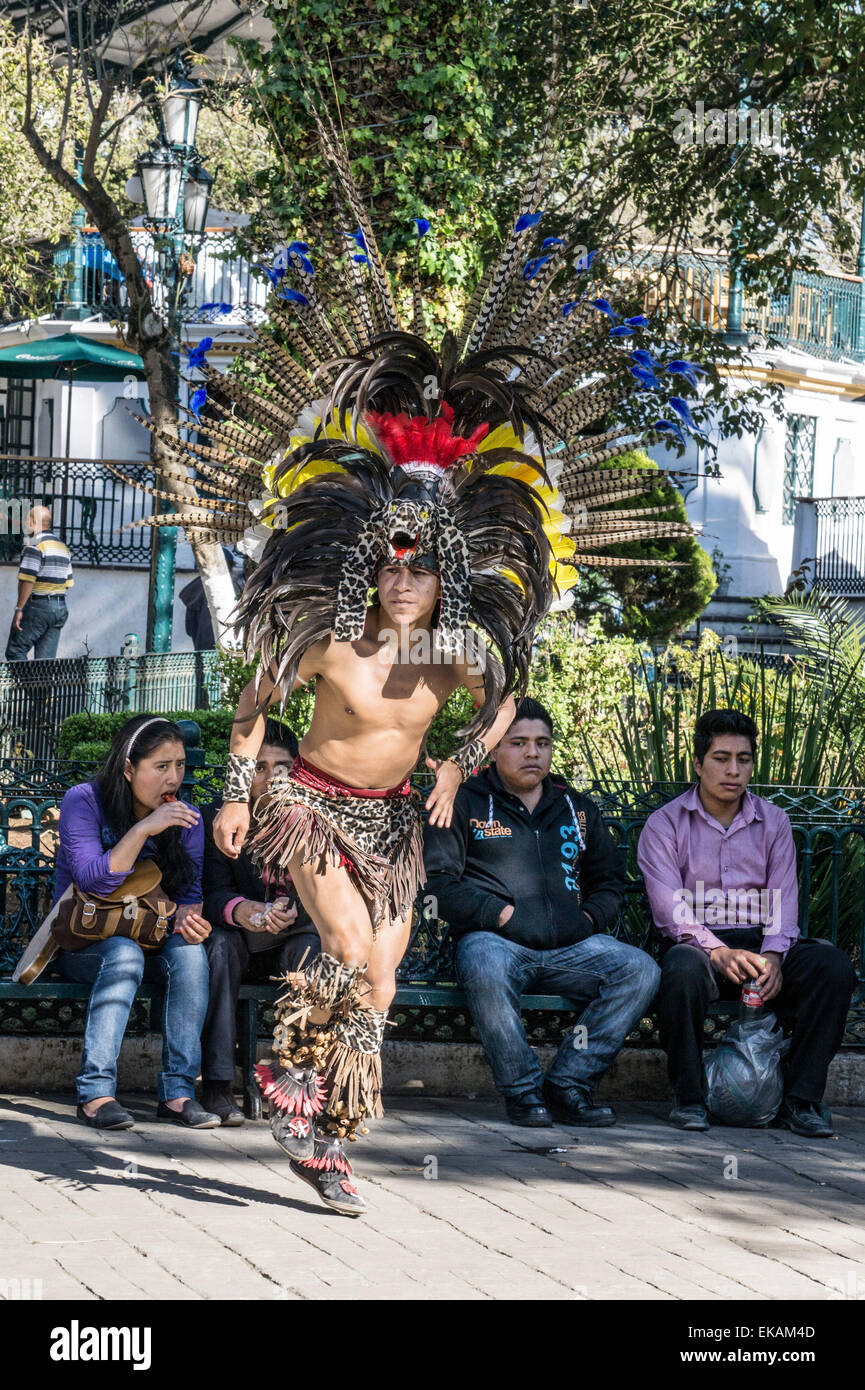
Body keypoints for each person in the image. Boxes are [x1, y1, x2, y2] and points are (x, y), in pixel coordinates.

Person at [118, 86, 702, 1216]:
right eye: (387, 564)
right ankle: (291, 1076)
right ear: (365, 568)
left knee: (379, 981)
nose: (400, 578)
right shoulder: (326, 645)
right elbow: (247, 710)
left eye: (418, 567)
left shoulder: (454, 656)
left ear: (443, 573)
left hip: (394, 826)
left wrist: (450, 766)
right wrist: (241, 796)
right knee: (338, 942)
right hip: (312, 804)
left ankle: (326, 1135)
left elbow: (504, 697)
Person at [423, 697, 659, 1126]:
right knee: (483, 960)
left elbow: (609, 883)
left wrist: (587, 921)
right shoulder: (465, 801)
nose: (532, 752)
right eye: (518, 742)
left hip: (572, 948)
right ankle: (523, 1091)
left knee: (639, 969)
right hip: (497, 942)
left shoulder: (577, 807)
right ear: (493, 749)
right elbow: (438, 884)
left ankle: (569, 1084)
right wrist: (501, 916)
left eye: (542, 742)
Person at [637, 708, 857, 1137]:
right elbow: (669, 910)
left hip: (760, 946)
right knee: (680, 970)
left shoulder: (773, 821)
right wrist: (717, 951)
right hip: (699, 949)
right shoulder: (665, 824)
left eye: (743, 758)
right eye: (721, 758)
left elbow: (784, 898)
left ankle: (801, 1101)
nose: (733, 770)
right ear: (698, 764)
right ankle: (690, 1097)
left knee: (833, 968)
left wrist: (774, 954)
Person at [55, 715, 220, 1131]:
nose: (174, 778)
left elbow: (189, 897)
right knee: (124, 954)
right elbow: (92, 880)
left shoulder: (188, 819)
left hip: (152, 934)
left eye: (179, 765)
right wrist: (145, 828)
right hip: (84, 939)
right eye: (161, 767)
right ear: (129, 769)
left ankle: (178, 1093)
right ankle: (95, 1095)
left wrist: (191, 919)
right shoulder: (85, 800)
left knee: (191, 954)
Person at [200, 718, 320, 1125]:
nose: (269, 780)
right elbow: (211, 890)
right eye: (259, 768)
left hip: (293, 940)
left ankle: (297, 1076)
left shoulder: (314, 821)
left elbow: (334, 894)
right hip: (239, 942)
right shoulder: (221, 820)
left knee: (310, 951)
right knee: (218, 947)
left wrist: (294, 908)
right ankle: (217, 1084)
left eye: (281, 768)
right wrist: (241, 910)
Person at [5, 505, 73, 661]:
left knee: (15, 651)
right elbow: (68, 582)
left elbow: (28, 579)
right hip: (60, 607)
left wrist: (19, 609)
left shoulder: (35, 545)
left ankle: (26, 686)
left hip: (38, 606)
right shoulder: (63, 547)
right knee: (45, 662)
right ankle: (41, 686)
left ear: (33, 522)